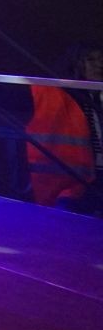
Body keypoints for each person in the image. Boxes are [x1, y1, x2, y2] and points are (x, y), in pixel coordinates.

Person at [25, 44, 103, 213]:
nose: (99, 65)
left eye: (102, 59)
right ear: (75, 64)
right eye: (91, 60)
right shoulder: (55, 94)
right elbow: (10, 97)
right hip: (74, 181)